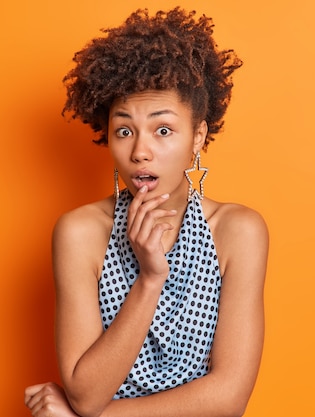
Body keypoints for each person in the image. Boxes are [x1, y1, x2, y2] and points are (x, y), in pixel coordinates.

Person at [24, 7, 269, 417]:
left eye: (163, 130)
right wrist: (150, 279)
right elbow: (85, 393)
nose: (140, 151)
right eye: (124, 130)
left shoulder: (238, 232)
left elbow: (229, 399)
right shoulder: (80, 233)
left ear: (198, 136)